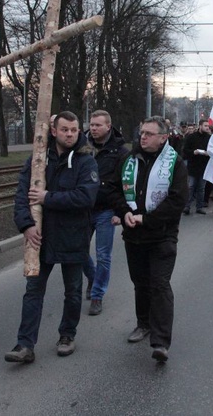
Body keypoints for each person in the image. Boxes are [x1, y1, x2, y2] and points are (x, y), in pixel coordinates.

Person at [5, 111, 99, 363]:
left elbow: (85, 197)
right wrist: (26, 225)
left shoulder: (85, 160)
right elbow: (22, 196)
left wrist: (48, 198)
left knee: (73, 290)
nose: (70, 134)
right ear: (54, 131)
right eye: (65, 129)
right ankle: (24, 344)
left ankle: (67, 335)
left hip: (73, 236)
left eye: (74, 129)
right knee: (33, 290)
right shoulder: (37, 159)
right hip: (42, 238)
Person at [108, 116, 188, 363]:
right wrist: (125, 212)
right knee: (140, 283)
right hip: (134, 235)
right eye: (142, 132)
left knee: (160, 284)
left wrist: (147, 219)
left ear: (163, 138)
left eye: (149, 134)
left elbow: (177, 201)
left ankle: (161, 342)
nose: (143, 137)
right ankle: (143, 324)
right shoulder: (128, 159)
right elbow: (113, 189)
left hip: (162, 235)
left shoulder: (175, 163)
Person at [83, 110, 128, 316]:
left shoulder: (120, 151)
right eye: (92, 124)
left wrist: (121, 211)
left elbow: (125, 184)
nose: (93, 128)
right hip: (82, 208)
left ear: (108, 126)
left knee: (103, 255)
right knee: (78, 251)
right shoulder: (81, 146)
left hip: (106, 210)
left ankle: (97, 295)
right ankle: (93, 278)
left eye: (98, 125)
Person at [182, 119, 211, 215]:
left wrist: (209, 153)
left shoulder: (209, 138)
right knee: (190, 187)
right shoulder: (191, 137)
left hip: (204, 166)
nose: (207, 128)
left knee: (201, 188)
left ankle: (199, 207)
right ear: (200, 126)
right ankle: (187, 206)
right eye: (205, 126)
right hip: (193, 166)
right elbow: (185, 150)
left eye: (208, 126)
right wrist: (193, 152)